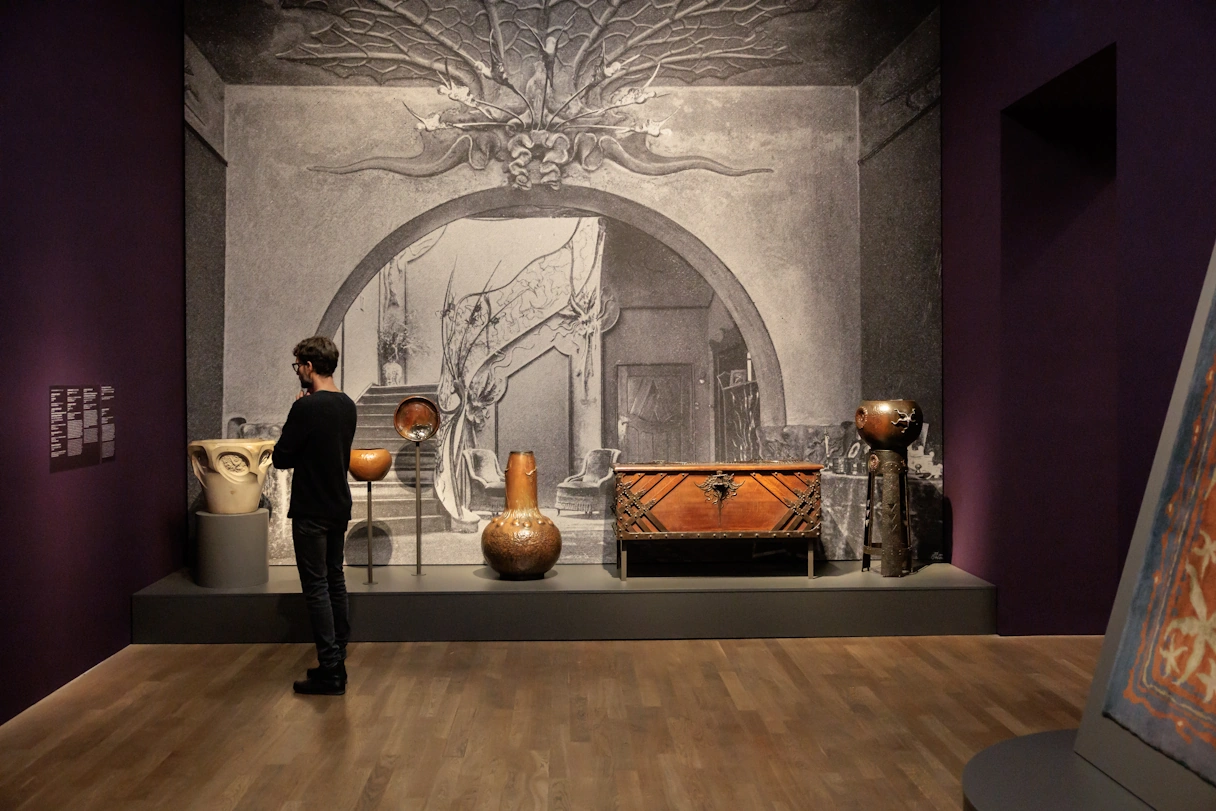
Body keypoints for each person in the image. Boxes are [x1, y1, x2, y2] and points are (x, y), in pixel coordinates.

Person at [272, 336, 357, 695]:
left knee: (317, 586)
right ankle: (338, 651)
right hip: (338, 503)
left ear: (309, 367)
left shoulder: (305, 408)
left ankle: (330, 669)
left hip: (311, 507)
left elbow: (281, 457)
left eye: (298, 367)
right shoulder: (348, 405)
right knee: (334, 578)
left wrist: (297, 411)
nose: (298, 373)